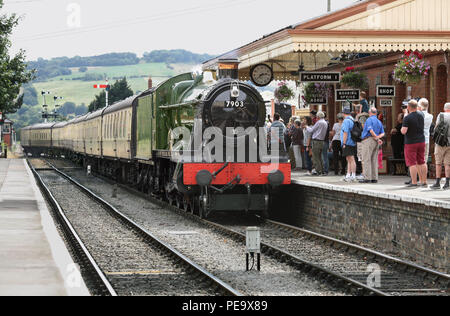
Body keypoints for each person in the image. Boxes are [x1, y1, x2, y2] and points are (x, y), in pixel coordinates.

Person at [401, 100, 427, 187]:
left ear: (408, 107)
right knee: (422, 161)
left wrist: (405, 116)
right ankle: (424, 181)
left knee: (412, 163)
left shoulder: (407, 118)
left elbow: (403, 131)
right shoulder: (421, 115)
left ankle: (414, 182)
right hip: (421, 141)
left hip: (411, 142)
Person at [360, 108, 385, 184]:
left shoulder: (369, 120)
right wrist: (378, 138)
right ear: (376, 113)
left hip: (368, 140)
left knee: (366, 159)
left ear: (369, 112)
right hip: (375, 141)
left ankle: (367, 178)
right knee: (374, 159)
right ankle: (374, 178)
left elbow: (370, 131)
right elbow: (383, 133)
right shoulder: (378, 121)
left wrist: (376, 138)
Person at [430, 103, 450, 190]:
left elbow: (436, 127)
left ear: (444, 108)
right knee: (447, 164)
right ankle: (447, 183)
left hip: (440, 142)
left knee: (438, 163)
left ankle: (437, 182)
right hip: (449, 143)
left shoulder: (441, 115)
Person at [307, 111, 328, 176]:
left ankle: (318, 171)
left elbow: (311, 130)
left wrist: (306, 127)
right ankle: (322, 170)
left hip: (316, 141)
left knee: (315, 157)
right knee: (320, 157)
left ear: (318, 117)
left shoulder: (318, 122)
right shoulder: (325, 122)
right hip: (322, 141)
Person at [341, 107, 357, 182]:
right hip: (352, 141)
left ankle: (353, 175)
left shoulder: (346, 121)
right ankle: (348, 174)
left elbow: (345, 132)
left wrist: (344, 143)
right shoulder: (352, 120)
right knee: (349, 159)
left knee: (351, 159)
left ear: (343, 113)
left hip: (348, 142)